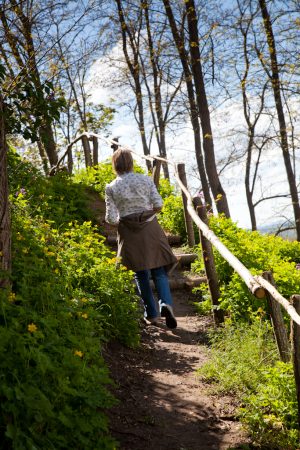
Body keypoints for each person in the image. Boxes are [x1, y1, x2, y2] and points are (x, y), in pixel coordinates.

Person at [105, 148, 178, 329]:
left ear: (115, 165)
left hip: (129, 232)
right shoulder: (145, 179)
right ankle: (165, 304)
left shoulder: (111, 187)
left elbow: (111, 219)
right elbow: (159, 204)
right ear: (130, 163)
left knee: (140, 272)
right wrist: (147, 213)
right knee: (159, 269)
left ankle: (152, 315)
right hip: (150, 227)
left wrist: (125, 218)